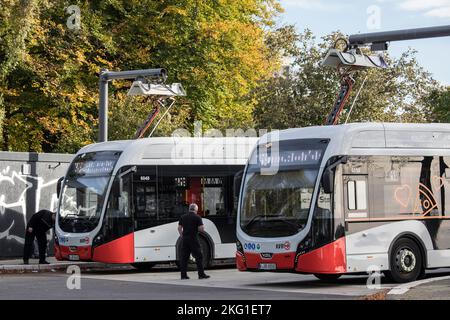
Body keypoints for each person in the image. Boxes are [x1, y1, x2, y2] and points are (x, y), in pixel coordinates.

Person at [178, 203, 210, 280]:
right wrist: (201, 228)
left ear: (189, 209)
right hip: (193, 239)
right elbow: (201, 229)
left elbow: (179, 228)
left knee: (184, 257)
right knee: (199, 256)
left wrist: (182, 235)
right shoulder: (197, 217)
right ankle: (201, 274)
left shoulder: (183, 217)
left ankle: (183, 275)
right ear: (196, 209)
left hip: (185, 239)